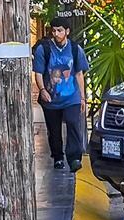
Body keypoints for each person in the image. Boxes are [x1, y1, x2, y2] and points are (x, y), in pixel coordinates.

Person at [32, 17, 89, 171]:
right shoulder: (43, 49)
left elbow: (79, 74)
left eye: (60, 30)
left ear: (67, 32)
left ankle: (74, 158)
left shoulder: (76, 49)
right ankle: (57, 157)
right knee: (54, 129)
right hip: (51, 97)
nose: (56, 33)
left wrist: (82, 97)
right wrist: (42, 90)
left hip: (72, 97)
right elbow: (38, 72)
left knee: (72, 123)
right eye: (54, 30)